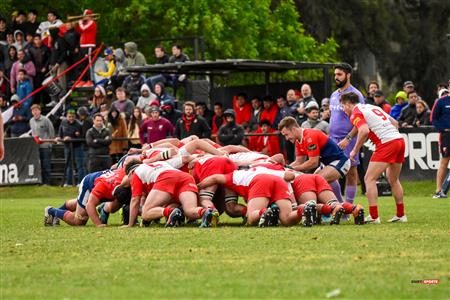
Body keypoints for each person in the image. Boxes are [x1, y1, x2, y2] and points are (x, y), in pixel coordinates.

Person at [341, 92, 406, 224]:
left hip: (387, 143)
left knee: (369, 178)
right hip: (399, 140)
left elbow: (364, 130)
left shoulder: (356, 112)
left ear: (348, 104)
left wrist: (354, 150)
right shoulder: (372, 107)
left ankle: (374, 216)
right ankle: (401, 215)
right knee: (393, 179)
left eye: (343, 106)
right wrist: (348, 138)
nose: (343, 109)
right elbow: (394, 122)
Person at [123, 159, 218, 228]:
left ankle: (171, 212)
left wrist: (130, 224)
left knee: (146, 212)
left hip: (166, 178)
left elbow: (135, 200)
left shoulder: (136, 173)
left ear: (130, 173)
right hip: (185, 177)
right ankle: (206, 212)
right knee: (189, 210)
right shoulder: (157, 164)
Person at [328, 63, 365, 206]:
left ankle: (348, 207)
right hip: (332, 140)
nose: (336, 77)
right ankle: (340, 204)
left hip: (349, 140)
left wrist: (348, 138)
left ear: (348, 75)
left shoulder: (356, 95)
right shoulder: (333, 95)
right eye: (335, 74)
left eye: (339, 74)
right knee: (330, 172)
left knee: (351, 172)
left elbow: (361, 122)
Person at [278, 117, 350, 184]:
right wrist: (285, 169)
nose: (286, 138)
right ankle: (336, 197)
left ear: (293, 129)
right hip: (327, 163)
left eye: (286, 134)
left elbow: (313, 163)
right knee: (315, 181)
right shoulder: (298, 141)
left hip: (339, 161)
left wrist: (292, 168)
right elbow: (299, 161)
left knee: (315, 181)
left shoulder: (310, 136)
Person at [430, 80, 450, 198]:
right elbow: (433, 118)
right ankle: (438, 190)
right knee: (445, 160)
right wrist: (443, 129)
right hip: (447, 135)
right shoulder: (441, 101)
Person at [55, 109, 85, 186]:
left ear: (75, 116)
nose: (71, 118)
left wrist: (70, 137)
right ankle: (69, 183)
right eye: (69, 116)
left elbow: (82, 137)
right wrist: (59, 137)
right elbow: (60, 132)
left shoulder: (79, 124)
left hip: (77, 146)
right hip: (67, 146)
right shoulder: (63, 122)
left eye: (72, 116)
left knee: (80, 165)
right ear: (66, 116)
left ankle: (80, 182)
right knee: (68, 165)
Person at [30, 104, 54, 185]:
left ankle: (47, 182)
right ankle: (40, 182)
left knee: (46, 164)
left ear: (40, 111)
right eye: (33, 111)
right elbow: (33, 133)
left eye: (36, 110)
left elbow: (51, 132)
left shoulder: (45, 120)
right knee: (38, 165)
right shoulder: (31, 121)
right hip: (36, 147)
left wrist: (50, 143)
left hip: (45, 146)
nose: (35, 112)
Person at [74, 9, 97, 87]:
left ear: (90, 16)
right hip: (82, 46)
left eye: (85, 15)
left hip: (89, 45)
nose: (83, 17)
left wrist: (80, 22)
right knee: (82, 64)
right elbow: (79, 30)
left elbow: (84, 29)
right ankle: (83, 80)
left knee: (89, 64)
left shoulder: (92, 22)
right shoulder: (84, 23)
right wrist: (76, 24)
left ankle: (90, 80)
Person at [28, 34, 50, 105]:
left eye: (39, 39)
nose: (37, 41)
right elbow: (30, 61)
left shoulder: (45, 48)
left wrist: (45, 67)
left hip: (44, 71)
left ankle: (46, 103)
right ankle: (36, 104)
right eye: (36, 39)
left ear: (41, 39)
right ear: (34, 41)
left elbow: (49, 59)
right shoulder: (31, 49)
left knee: (45, 88)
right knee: (36, 88)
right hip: (35, 72)